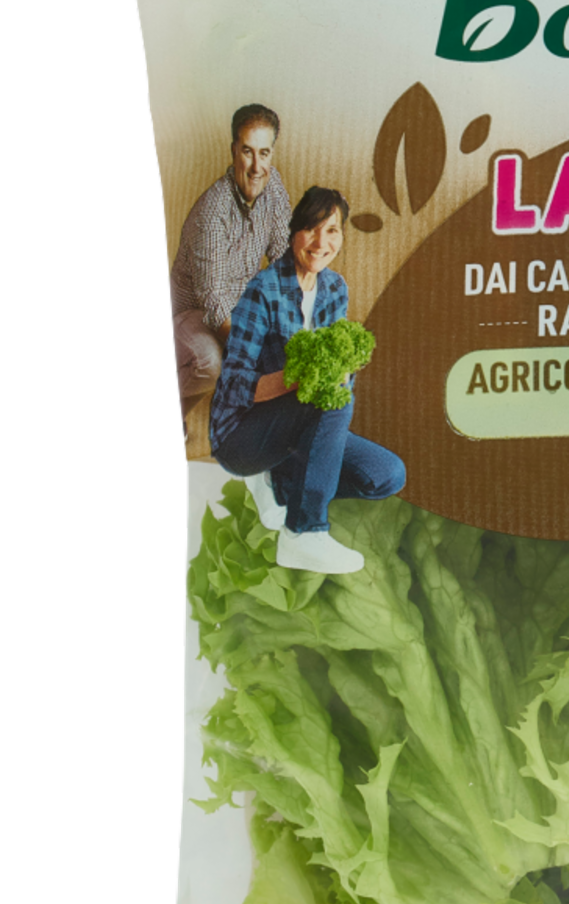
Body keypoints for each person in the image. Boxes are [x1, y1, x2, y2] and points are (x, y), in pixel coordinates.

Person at [210, 186, 406, 575]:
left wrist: (338, 372)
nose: (320, 242)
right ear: (294, 232)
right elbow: (233, 386)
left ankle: (281, 482)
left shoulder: (334, 288)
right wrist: (299, 379)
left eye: (331, 230)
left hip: (296, 430)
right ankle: (302, 532)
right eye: (311, 228)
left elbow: (334, 365)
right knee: (330, 396)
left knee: (386, 475)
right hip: (241, 436)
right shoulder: (262, 291)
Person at [170, 103, 293, 414]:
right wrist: (257, 351)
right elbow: (213, 302)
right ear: (234, 150)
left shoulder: (273, 186)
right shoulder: (212, 212)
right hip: (191, 313)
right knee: (211, 362)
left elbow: (284, 260)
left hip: (239, 305)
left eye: (264, 153)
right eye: (248, 152)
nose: (256, 167)